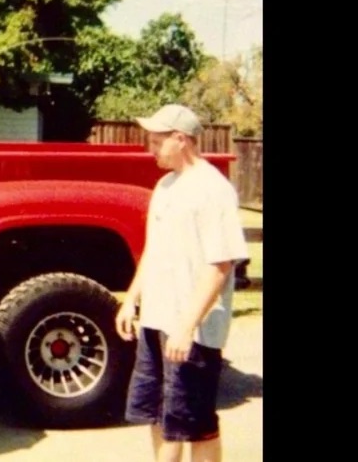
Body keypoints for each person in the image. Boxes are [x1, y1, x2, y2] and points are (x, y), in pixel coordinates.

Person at [114, 104, 249, 462]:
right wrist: (131, 299)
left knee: (193, 420)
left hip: (194, 329)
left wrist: (187, 326)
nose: (151, 149)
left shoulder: (213, 189)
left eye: (157, 142)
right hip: (156, 320)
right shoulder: (165, 185)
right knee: (158, 414)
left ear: (181, 139)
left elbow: (220, 265)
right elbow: (153, 249)